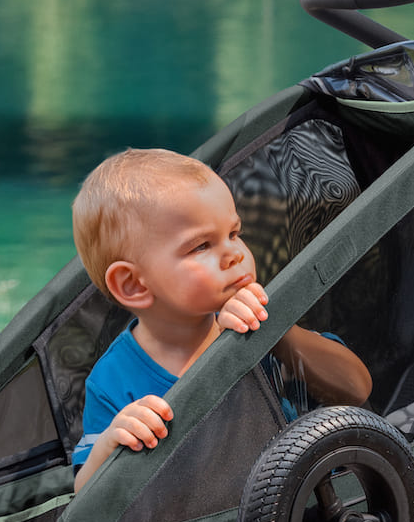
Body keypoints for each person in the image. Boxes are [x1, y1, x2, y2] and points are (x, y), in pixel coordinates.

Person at [69, 148, 371, 491]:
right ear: (133, 285)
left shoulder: (254, 325)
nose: (235, 254)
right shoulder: (112, 380)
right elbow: (84, 499)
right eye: (201, 246)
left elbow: (356, 390)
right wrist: (109, 447)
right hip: (209, 520)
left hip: (307, 501)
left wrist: (278, 331)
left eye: (234, 233)